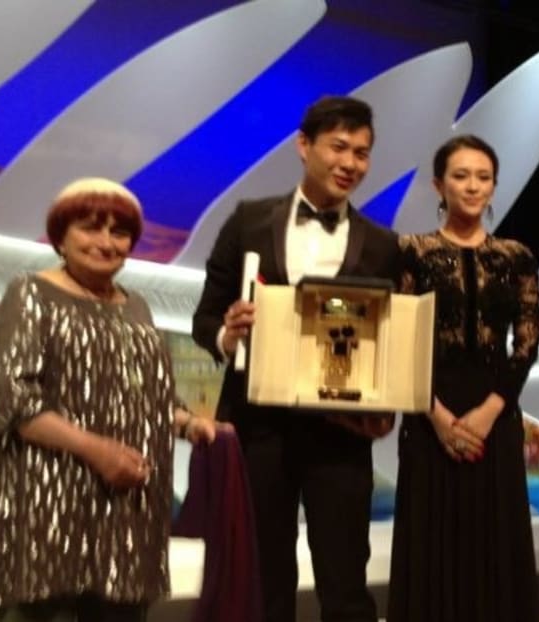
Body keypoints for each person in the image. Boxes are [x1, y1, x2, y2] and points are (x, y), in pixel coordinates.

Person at [192, 95, 401, 622]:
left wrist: (389, 399)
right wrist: (230, 336)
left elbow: (392, 339)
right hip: (258, 425)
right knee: (263, 575)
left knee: (346, 575)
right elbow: (205, 320)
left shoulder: (383, 244)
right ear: (303, 145)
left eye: (362, 152)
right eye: (339, 147)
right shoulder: (248, 222)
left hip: (342, 431)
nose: (350, 163)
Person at [0, 177, 219, 622]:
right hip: (48, 514)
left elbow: (148, 395)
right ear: (61, 235)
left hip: (126, 513)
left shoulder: (137, 306)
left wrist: (188, 423)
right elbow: (13, 401)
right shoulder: (30, 294)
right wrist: (98, 451)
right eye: (91, 227)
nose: (106, 242)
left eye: (119, 232)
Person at [386, 134, 539, 622]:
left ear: (494, 186)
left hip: (496, 412)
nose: (472, 187)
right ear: (439, 185)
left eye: (483, 177)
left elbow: (527, 341)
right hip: (429, 409)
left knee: (495, 535)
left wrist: (491, 409)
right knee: (432, 537)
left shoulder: (516, 256)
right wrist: (436, 416)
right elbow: (397, 338)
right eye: (460, 176)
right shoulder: (410, 251)